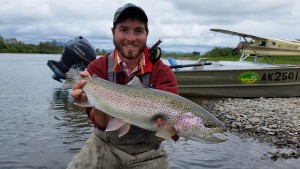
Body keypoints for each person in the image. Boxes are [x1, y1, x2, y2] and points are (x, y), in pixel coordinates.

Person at [67, 3, 178, 169]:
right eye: (124, 29)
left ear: (147, 34)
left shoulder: (163, 73)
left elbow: (172, 134)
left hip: (148, 152)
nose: (131, 38)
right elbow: (101, 124)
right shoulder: (97, 68)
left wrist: (173, 129)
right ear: (113, 32)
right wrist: (93, 99)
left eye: (138, 31)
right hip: (104, 144)